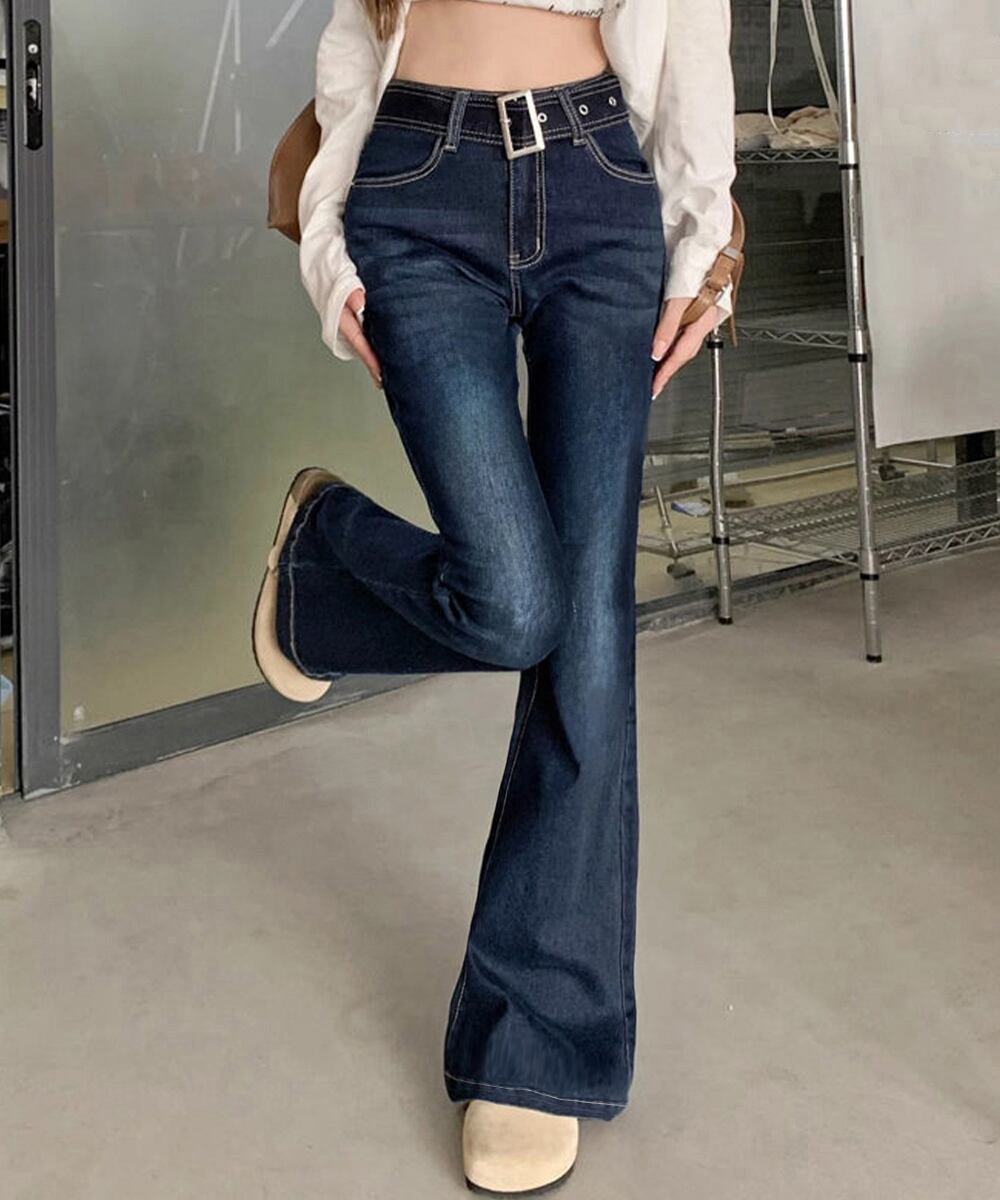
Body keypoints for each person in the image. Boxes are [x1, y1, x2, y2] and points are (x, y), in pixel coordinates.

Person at [252, 0, 736, 1192]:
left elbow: (690, 30)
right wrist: (326, 248)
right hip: (418, 182)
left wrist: (704, 246)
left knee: (587, 638)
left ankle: (533, 1049)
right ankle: (319, 556)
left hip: (598, 182)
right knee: (517, 603)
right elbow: (353, 50)